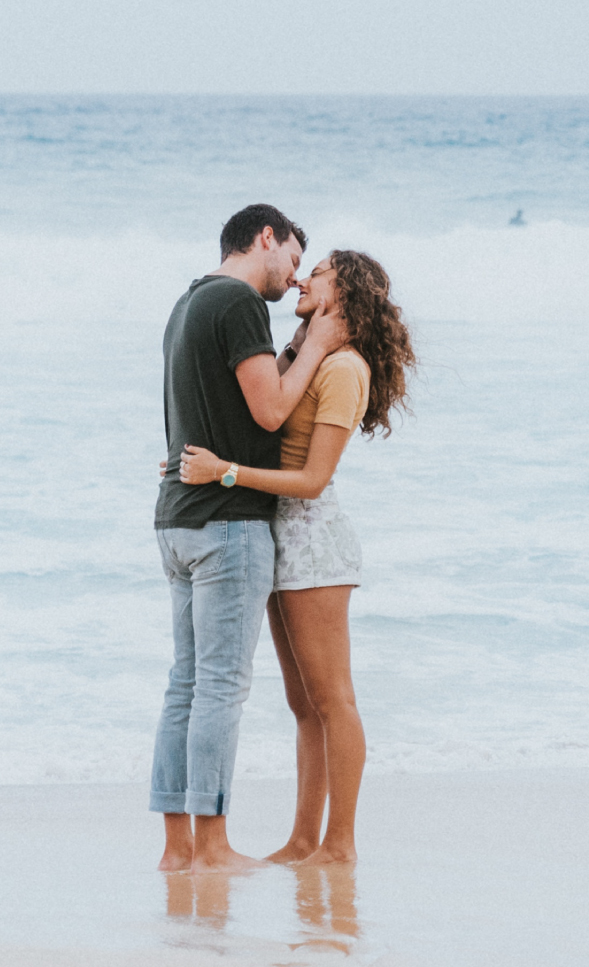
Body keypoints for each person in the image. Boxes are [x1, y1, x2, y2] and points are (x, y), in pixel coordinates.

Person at [175, 250, 414, 866]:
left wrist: (225, 473)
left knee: (334, 700)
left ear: (344, 293)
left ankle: (341, 844)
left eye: (322, 273)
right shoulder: (314, 357)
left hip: (313, 540)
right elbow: (265, 414)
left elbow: (310, 479)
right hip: (281, 537)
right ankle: (304, 840)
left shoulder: (345, 370)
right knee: (303, 706)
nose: (304, 279)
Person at [152, 205, 346, 873]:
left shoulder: (189, 303)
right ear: (267, 237)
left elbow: (208, 412)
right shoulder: (238, 303)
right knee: (221, 687)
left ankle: (178, 849)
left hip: (176, 518)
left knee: (185, 683)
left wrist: (294, 350)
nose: (294, 280)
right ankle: (212, 846)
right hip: (229, 522)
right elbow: (268, 410)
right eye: (294, 259)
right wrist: (317, 347)